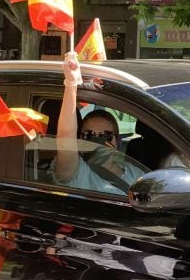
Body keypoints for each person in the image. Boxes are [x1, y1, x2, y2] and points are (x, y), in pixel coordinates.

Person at [53, 52, 146, 193]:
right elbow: (66, 136)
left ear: (117, 141)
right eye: (89, 135)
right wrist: (71, 84)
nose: (98, 140)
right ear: (79, 140)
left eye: (106, 135)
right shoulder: (77, 172)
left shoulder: (134, 173)